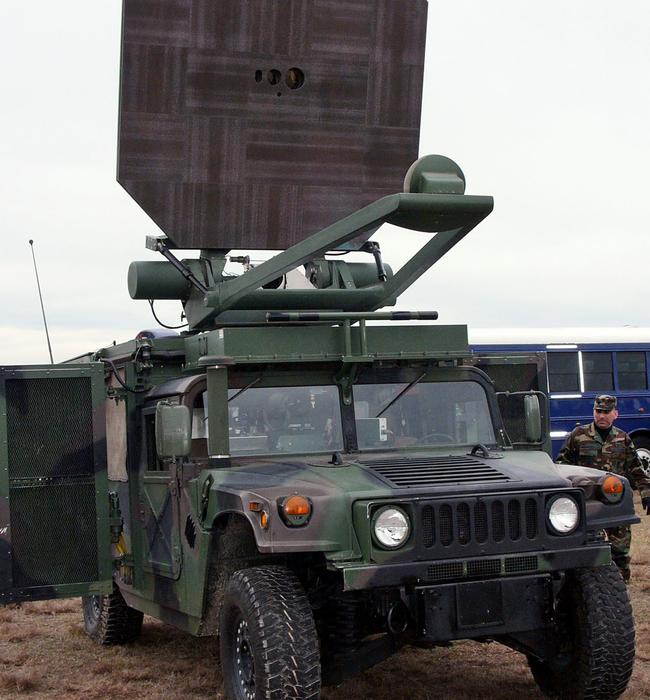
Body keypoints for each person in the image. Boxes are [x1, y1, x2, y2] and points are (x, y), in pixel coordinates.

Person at [556, 394, 650, 582]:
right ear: (593, 412)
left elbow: (636, 470)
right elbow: (561, 465)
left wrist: (647, 494)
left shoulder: (623, 439)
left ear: (616, 414)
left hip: (616, 503)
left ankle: (621, 584)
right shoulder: (578, 436)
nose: (602, 416)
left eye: (607, 412)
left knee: (620, 551)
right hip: (588, 504)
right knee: (586, 547)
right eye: (598, 411)